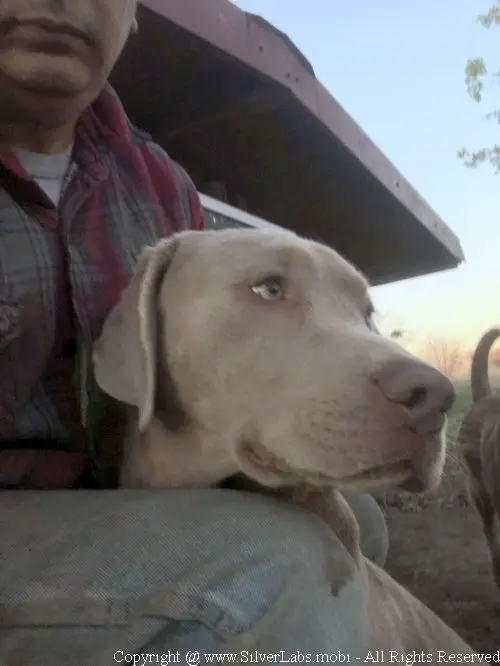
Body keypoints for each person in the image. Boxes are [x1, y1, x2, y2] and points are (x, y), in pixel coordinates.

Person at [0, 0, 388, 662]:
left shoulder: (158, 183)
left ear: (134, 16)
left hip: (108, 495)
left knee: (362, 526)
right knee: (274, 571)